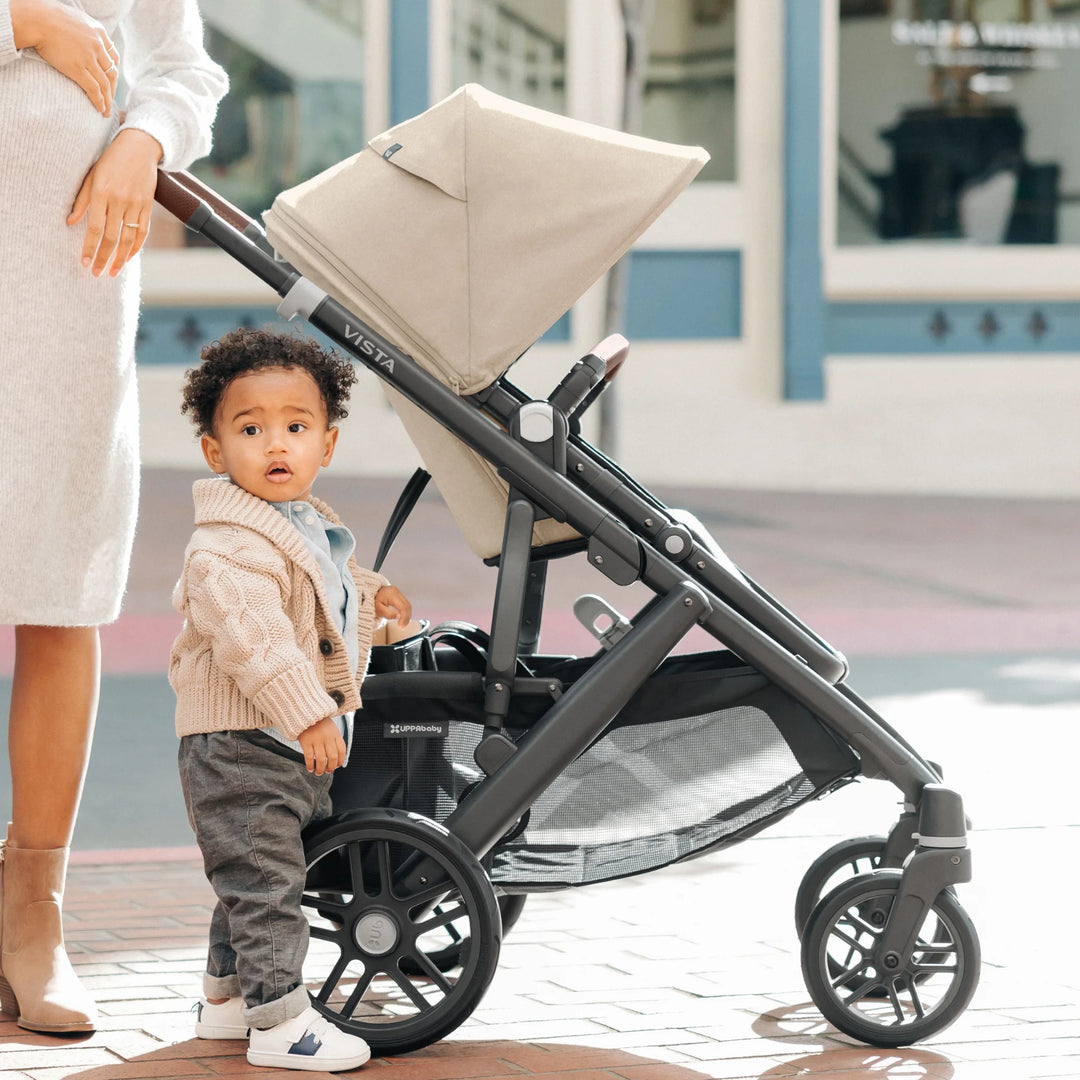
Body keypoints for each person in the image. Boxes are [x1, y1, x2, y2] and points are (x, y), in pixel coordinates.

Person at [0, 0, 226, 1035]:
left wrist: (144, 136)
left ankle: (32, 921)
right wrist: (23, 22)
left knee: (60, 591)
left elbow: (186, 70)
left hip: (68, 293)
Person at [170, 328, 416, 1072]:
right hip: (243, 742)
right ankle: (281, 1025)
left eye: (295, 427)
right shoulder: (224, 546)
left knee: (251, 875)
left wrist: (372, 594)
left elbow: (320, 602)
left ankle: (227, 1001)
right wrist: (311, 711)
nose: (275, 443)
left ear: (326, 445)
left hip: (275, 743)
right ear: (216, 452)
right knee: (266, 883)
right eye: (251, 429)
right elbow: (259, 641)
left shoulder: (300, 527)